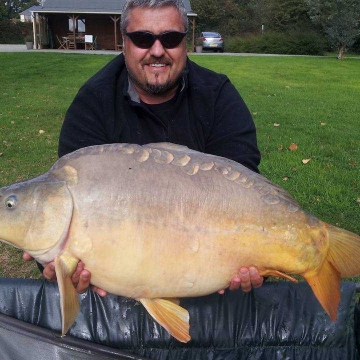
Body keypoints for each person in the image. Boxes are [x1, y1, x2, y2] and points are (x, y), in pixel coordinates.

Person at [24, 0, 263, 297]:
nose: (158, 50)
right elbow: (71, 211)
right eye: (142, 39)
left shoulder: (217, 97)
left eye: (171, 38)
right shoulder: (93, 103)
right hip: (127, 275)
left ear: (185, 44)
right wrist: (58, 262)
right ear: (124, 43)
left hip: (211, 255)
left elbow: (245, 190)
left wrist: (249, 262)